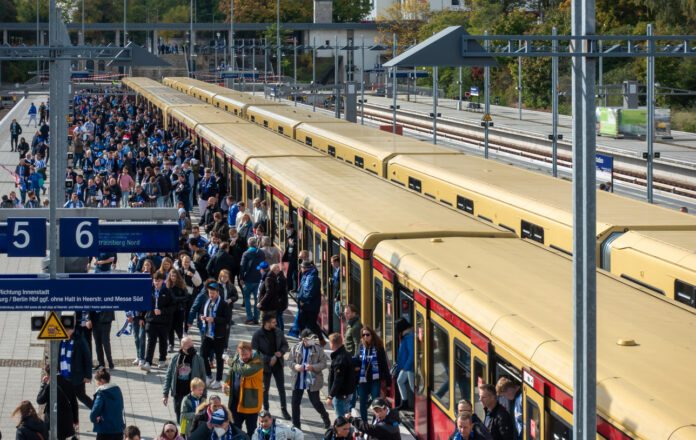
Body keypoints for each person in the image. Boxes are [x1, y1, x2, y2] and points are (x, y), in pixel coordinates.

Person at [289, 329, 331, 430]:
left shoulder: (318, 349)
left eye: (313, 338)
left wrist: (313, 367)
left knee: (315, 402)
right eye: (310, 338)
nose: (313, 340)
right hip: (298, 379)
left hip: (312, 380)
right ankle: (296, 425)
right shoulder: (295, 348)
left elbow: (323, 363)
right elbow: (289, 361)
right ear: (304, 339)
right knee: (295, 402)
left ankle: (325, 416)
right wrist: (296, 366)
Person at [252, 315, 290, 419]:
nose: (275, 324)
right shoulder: (257, 335)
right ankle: (266, 410)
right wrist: (269, 358)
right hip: (265, 366)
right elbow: (255, 353)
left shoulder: (278, 332)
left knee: (281, 388)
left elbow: (285, 345)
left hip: (278, 364)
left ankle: (284, 410)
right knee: (265, 389)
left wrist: (281, 352)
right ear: (266, 323)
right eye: (273, 322)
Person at [163, 337, 207, 422]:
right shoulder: (175, 358)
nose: (192, 347)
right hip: (178, 394)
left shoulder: (198, 359)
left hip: (193, 395)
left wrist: (204, 394)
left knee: (193, 418)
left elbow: (203, 377)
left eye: (192, 345)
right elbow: (168, 376)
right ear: (182, 347)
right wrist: (165, 394)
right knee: (180, 417)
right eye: (189, 346)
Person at [225, 341, 264, 436]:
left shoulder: (258, 363)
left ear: (251, 352)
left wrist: (229, 362)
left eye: (246, 354)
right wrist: (226, 383)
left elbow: (245, 371)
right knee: (234, 430)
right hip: (235, 403)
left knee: (252, 432)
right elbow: (231, 371)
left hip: (250, 404)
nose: (243, 357)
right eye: (241, 354)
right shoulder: (237, 357)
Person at [142, 272, 175, 372]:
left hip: (163, 321)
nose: (156, 282)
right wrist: (141, 317)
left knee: (163, 341)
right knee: (151, 341)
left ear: (162, 281)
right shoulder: (149, 290)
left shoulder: (167, 291)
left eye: (159, 281)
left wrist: (162, 311)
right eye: (155, 280)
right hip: (151, 320)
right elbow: (144, 303)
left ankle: (162, 359)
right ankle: (148, 361)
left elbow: (173, 306)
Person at [199, 282, 231, 389]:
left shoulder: (223, 304)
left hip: (218, 336)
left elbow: (227, 319)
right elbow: (201, 312)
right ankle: (209, 375)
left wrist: (214, 319)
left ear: (217, 293)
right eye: (209, 293)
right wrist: (201, 317)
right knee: (202, 354)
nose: (211, 295)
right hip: (207, 334)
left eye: (213, 293)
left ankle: (218, 380)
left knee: (219, 358)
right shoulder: (207, 302)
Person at [356, 326, 390, 421]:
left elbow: (384, 365)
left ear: (372, 335)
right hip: (363, 380)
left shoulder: (379, 348)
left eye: (367, 334)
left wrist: (388, 383)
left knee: (376, 403)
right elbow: (357, 360)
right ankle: (365, 423)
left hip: (375, 379)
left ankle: (375, 422)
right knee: (362, 402)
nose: (365, 337)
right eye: (363, 335)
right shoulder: (360, 346)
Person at [36, 365, 78, 440]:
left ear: (48, 375)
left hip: (52, 419)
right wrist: (75, 420)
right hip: (66, 419)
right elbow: (74, 403)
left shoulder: (49, 386)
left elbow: (40, 400)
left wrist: (43, 385)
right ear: (58, 371)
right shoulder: (68, 383)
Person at [61, 325, 94, 409]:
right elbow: (59, 355)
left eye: (66, 330)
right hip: (63, 374)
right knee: (65, 397)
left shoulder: (79, 340)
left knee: (81, 396)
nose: (65, 331)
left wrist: (88, 375)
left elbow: (88, 358)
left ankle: (97, 410)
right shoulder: (61, 339)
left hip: (77, 374)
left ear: (72, 330)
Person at [326, 333, 356, 421]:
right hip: (347, 393)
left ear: (332, 344)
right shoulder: (346, 354)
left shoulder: (339, 359)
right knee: (346, 418)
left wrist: (330, 396)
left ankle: (347, 434)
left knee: (341, 421)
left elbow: (337, 380)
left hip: (340, 395)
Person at [292, 260, 324, 343]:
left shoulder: (313, 278)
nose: (300, 269)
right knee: (302, 323)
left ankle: (320, 339)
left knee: (311, 324)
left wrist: (303, 300)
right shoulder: (306, 276)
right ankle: (304, 339)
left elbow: (311, 292)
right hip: (305, 305)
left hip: (310, 306)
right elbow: (302, 288)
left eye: (301, 267)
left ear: (305, 268)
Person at [90, 367, 126, 440]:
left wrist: (94, 419)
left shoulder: (101, 393)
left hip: (105, 429)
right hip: (118, 428)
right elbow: (121, 406)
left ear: (102, 380)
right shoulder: (117, 389)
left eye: (98, 381)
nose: (97, 383)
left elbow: (95, 410)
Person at [239, 236, 266, 324]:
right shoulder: (261, 253)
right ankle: (256, 318)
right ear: (256, 244)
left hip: (248, 279)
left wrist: (241, 278)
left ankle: (249, 317)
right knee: (257, 299)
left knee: (246, 298)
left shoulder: (245, 254)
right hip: (259, 279)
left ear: (248, 245)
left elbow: (242, 267)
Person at [393, 317, 415, 410]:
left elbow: (412, 354)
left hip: (409, 367)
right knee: (400, 381)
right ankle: (404, 402)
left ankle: (410, 405)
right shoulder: (407, 336)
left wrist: (405, 367)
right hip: (407, 366)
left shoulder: (409, 337)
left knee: (412, 386)